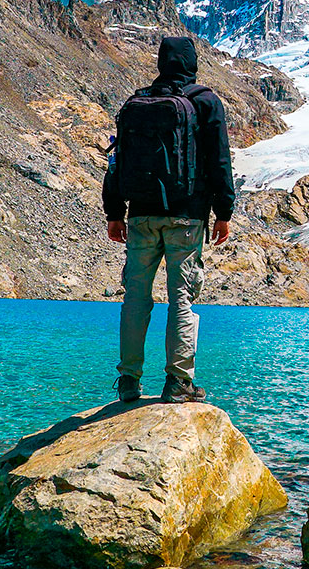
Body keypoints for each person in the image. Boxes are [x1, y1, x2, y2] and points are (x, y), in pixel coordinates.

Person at [103, 36, 234, 404]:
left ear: (161, 62)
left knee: (136, 298)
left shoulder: (137, 102)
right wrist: (223, 212)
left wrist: (115, 211)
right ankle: (179, 383)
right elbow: (220, 161)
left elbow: (117, 160)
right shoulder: (205, 102)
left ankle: (128, 381)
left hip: (141, 215)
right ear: (192, 62)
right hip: (186, 218)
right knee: (182, 299)